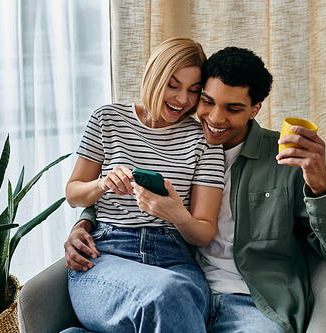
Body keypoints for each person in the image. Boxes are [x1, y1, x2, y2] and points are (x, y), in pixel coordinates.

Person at [68, 46, 326, 333]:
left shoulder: (283, 162)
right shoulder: (182, 141)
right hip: (175, 282)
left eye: (233, 108)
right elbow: (120, 193)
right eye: (207, 101)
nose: (215, 118)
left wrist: (320, 183)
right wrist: (85, 220)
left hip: (248, 301)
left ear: (254, 109)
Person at [62, 37, 225, 333]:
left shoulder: (203, 139)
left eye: (193, 90)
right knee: (167, 294)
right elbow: (73, 193)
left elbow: (203, 232)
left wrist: (175, 212)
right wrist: (103, 184)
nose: (182, 100)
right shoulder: (107, 119)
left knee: (171, 292)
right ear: (154, 76)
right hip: (106, 256)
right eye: (173, 85)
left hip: (174, 260)